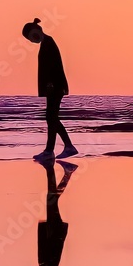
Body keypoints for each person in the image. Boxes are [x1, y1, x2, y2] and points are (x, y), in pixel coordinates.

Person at [22, 18, 77, 161]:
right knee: (51, 118)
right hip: (53, 86)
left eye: (30, 38)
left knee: (51, 117)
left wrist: (50, 84)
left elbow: (52, 66)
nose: (31, 41)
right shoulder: (46, 43)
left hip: (55, 87)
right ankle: (50, 150)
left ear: (36, 32)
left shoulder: (48, 43)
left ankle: (67, 146)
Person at [23, 160, 77, 266]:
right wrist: (52, 229)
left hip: (54, 230)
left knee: (52, 199)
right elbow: (54, 248)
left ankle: (65, 172)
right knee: (51, 198)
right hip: (54, 230)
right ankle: (53, 169)